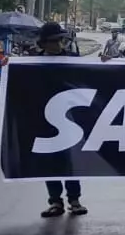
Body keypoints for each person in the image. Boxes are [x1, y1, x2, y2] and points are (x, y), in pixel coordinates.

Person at [31, 23, 88, 217]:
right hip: (43, 118)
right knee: (50, 161)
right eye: (54, 41)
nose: (58, 44)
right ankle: (55, 201)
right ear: (44, 43)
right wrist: (8, 66)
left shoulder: (72, 59)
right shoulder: (32, 63)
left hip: (70, 118)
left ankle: (75, 199)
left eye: (61, 40)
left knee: (71, 159)